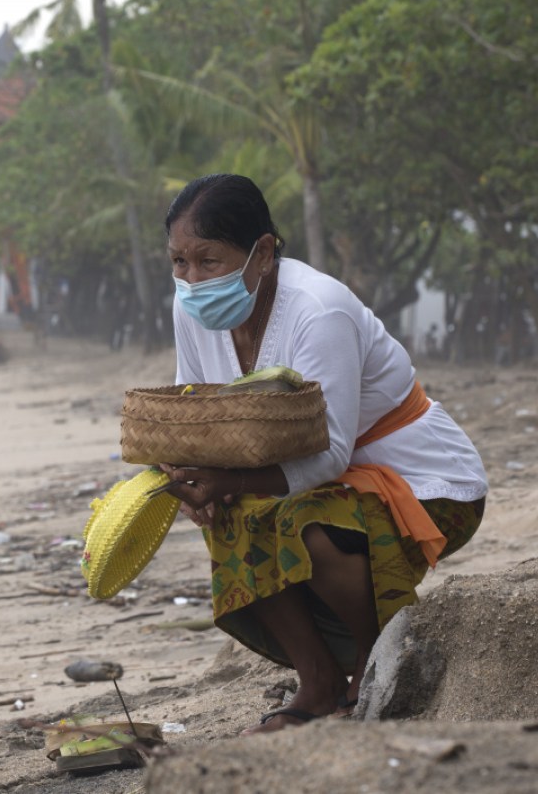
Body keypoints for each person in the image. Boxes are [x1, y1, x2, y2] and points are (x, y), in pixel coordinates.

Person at [157, 174, 488, 735]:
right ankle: (317, 681)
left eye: (208, 261)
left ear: (262, 252)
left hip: (426, 484)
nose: (191, 280)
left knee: (305, 521)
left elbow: (330, 457)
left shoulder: (318, 310)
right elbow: (195, 407)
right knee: (236, 518)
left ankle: (371, 662)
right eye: (178, 262)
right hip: (316, 479)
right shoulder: (191, 308)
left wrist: (229, 480)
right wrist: (183, 473)